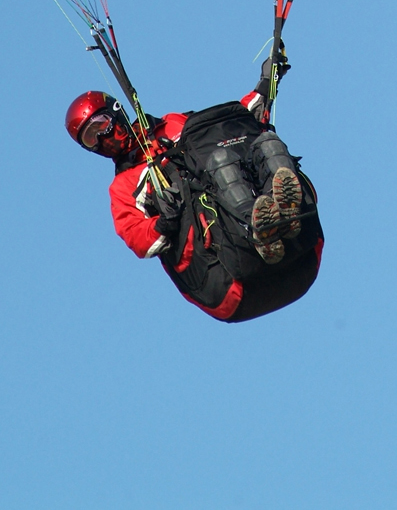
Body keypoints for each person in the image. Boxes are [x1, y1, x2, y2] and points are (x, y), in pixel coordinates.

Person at [65, 51, 324, 322]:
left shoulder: (173, 124)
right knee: (220, 161)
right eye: (90, 139)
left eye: (101, 125)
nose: (102, 139)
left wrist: (266, 82)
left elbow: (232, 126)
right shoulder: (123, 186)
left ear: (116, 113)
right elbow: (137, 237)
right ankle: (259, 228)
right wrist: (164, 222)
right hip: (228, 285)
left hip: (302, 261)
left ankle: (284, 217)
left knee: (265, 143)